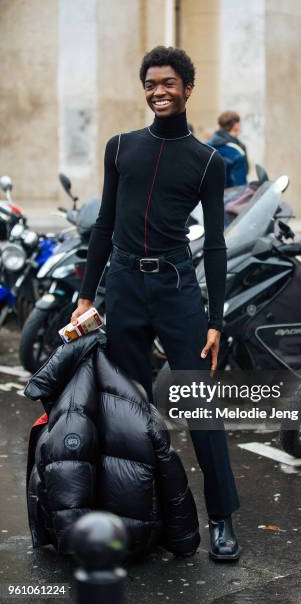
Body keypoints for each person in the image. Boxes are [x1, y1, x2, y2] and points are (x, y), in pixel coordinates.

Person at [71, 46, 240, 562]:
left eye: (168, 83)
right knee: (127, 410)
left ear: (188, 88)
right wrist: (85, 295)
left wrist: (215, 319)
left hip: (176, 288)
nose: (158, 91)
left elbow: (214, 242)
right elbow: (104, 226)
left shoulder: (208, 161)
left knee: (200, 407)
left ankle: (222, 519)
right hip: (123, 283)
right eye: (151, 84)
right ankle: (135, 515)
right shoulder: (120, 148)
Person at [208, 111, 249, 188]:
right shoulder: (237, 151)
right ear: (236, 125)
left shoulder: (206, 146)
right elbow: (240, 186)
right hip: (231, 198)